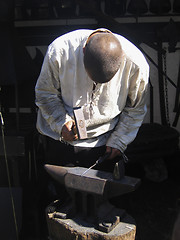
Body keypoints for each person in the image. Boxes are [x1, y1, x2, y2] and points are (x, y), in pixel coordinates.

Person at [35, 28, 149, 172]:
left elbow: (135, 108)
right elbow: (45, 93)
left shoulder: (135, 64)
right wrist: (60, 122)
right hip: (60, 140)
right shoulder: (61, 50)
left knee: (102, 191)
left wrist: (119, 140)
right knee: (61, 191)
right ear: (83, 51)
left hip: (105, 144)